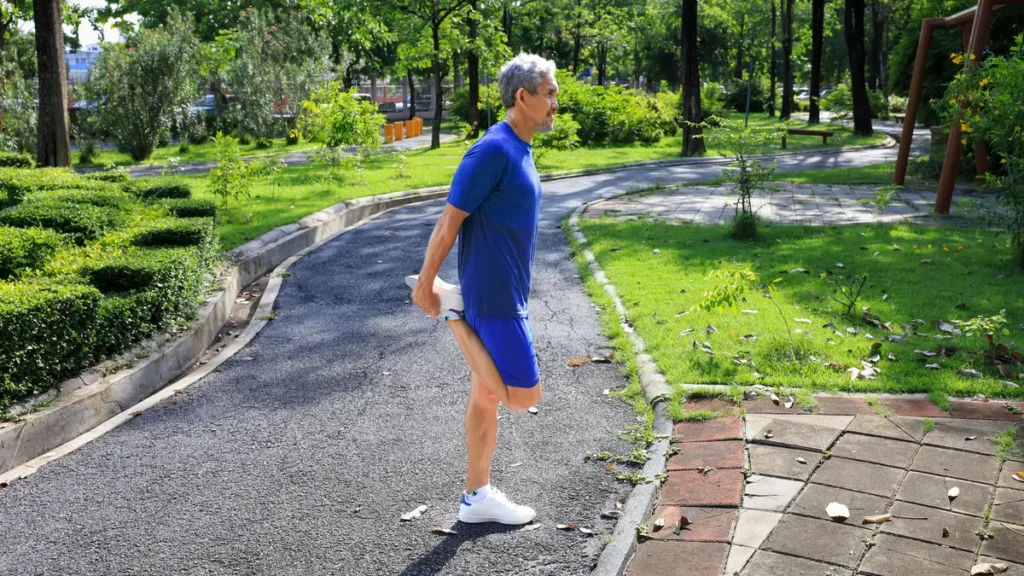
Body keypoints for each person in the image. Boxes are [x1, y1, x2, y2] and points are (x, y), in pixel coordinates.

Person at [408, 53, 559, 525]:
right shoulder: (493, 149)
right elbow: (450, 220)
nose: (556, 102)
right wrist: (429, 285)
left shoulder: (520, 146)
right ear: (523, 96)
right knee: (523, 397)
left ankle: (476, 497)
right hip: (493, 295)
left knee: (485, 396)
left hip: (505, 288)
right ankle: (455, 314)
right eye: (550, 93)